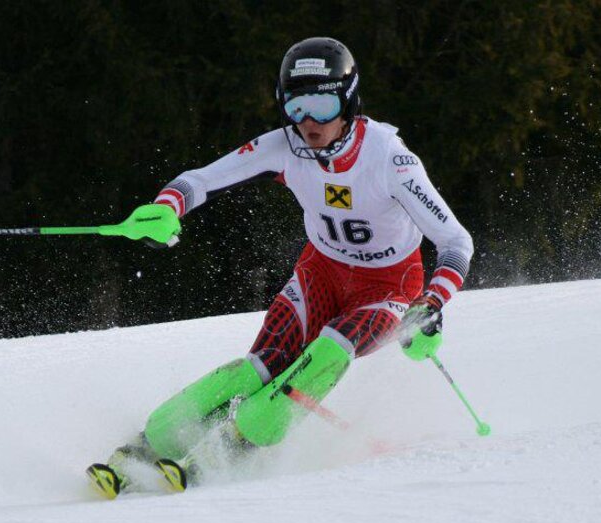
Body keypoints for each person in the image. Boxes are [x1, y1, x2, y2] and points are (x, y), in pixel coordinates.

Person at [87, 36, 474, 497]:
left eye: (323, 106)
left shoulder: (389, 158)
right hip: (321, 274)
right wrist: (168, 207)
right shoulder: (285, 147)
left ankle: (233, 448)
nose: (309, 122)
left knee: (332, 349)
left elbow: (455, 241)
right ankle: (144, 448)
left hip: (387, 286)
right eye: (296, 106)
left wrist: (431, 302)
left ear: (348, 102)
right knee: (262, 367)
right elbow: (201, 180)